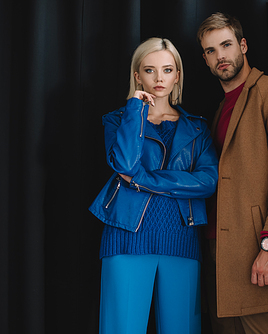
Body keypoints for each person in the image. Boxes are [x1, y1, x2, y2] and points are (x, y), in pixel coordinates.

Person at [89, 37, 218, 334]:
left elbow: (207, 182)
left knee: (181, 329)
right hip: (126, 238)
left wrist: (144, 179)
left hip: (181, 238)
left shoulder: (197, 128)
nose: (159, 78)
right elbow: (123, 164)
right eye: (150, 70)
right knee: (121, 328)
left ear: (177, 76)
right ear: (137, 75)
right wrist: (135, 109)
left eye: (168, 70)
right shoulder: (117, 120)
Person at [197, 13, 268, 334]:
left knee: (265, 328)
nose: (221, 56)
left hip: (255, 246)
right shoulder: (221, 108)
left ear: (243, 45)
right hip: (219, 245)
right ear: (204, 59)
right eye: (211, 51)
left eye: (226, 45)